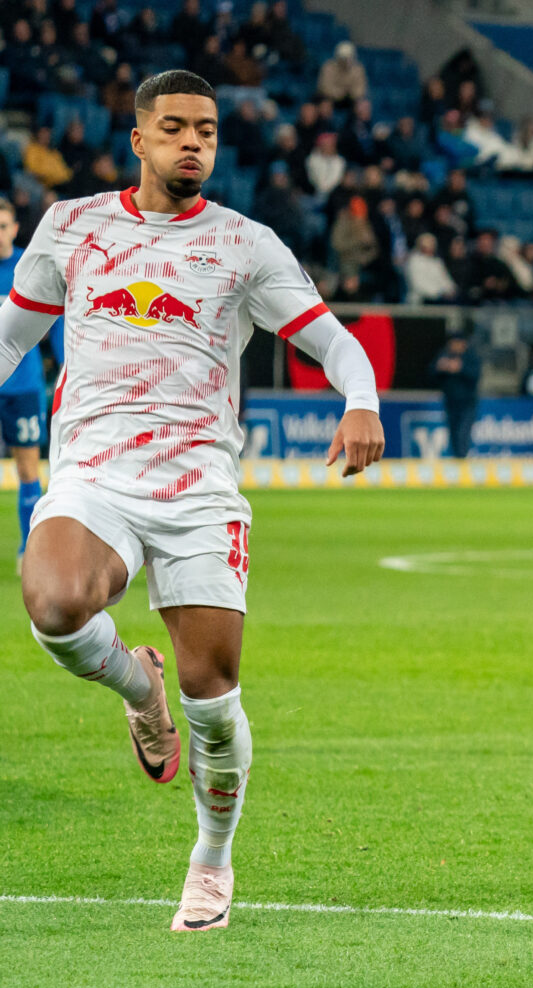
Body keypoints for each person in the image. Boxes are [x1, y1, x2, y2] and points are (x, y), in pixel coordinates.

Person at [0, 70, 385, 933]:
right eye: (174, 128)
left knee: (212, 697)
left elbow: (334, 342)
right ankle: (138, 685)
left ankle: (212, 858)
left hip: (199, 490)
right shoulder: (73, 226)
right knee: (53, 604)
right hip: (94, 474)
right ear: (138, 138)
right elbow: (12, 336)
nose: (192, 144)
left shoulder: (245, 245)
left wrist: (360, 401)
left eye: (205, 132)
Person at [0, 198, 53, 571]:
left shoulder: (28, 266)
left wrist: (65, 360)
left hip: (23, 387)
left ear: (15, 229)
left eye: (3, 226)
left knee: (29, 471)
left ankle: (28, 552)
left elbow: (57, 319)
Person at [434, 333, 481, 458]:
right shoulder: (444, 355)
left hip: (467, 404)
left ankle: (462, 459)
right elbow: (432, 374)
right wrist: (442, 367)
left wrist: (460, 368)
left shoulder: (470, 356)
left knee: (463, 434)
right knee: (453, 434)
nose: (454, 346)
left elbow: (475, 375)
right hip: (451, 403)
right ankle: (458, 460)